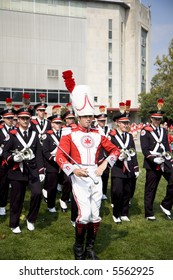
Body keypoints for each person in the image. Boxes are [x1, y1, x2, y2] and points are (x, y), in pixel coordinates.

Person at [56, 70, 120, 260]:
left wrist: (104, 165)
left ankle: (90, 249)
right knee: (83, 216)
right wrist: (73, 169)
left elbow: (116, 151)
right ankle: (78, 248)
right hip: (79, 176)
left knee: (95, 215)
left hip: (96, 175)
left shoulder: (99, 133)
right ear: (78, 116)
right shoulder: (68, 133)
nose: (89, 119)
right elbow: (60, 156)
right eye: (85, 116)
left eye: (91, 116)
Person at [2, 94, 45, 233]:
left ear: (30, 119)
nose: (25, 121)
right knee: (16, 199)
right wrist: (13, 159)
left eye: (27, 118)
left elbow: (39, 154)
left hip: (32, 170)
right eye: (22, 118)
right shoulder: (12, 135)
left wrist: (41, 170)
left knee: (37, 193)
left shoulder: (34, 135)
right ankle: (14, 224)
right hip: (17, 171)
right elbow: (5, 152)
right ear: (18, 120)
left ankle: (31, 219)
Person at [140, 98, 173, 221]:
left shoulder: (164, 131)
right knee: (151, 188)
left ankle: (165, 205)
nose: (157, 121)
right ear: (151, 119)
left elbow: (166, 145)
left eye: (159, 119)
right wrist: (153, 159)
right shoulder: (145, 131)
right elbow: (144, 149)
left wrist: (168, 155)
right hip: (152, 162)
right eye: (155, 119)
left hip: (164, 160)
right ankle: (149, 213)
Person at [109, 101, 139, 223]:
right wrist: (117, 157)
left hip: (129, 167)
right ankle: (116, 214)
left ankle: (124, 213)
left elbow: (134, 151)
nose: (126, 125)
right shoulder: (111, 136)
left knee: (127, 191)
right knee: (117, 192)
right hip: (117, 167)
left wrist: (136, 168)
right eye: (124, 123)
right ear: (117, 123)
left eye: (127, 123)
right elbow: (108, 152)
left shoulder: (130, 136)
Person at [42, 105, 64, 213]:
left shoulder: (65, 135)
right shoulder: (47, 135)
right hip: (52, 164)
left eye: (60, 123)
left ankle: (64, 200)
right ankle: (51, 205)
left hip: (64, 163)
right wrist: (53, 158)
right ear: (52, 124)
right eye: (56, 123)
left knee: (68, 182)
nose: (58, 125)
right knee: (52, 186)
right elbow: (45, 151)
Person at [31, 93, 51, 202]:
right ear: (37, 112)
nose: (42, 113)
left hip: (46, 149)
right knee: (37, 167)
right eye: (40, 111)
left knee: (48, 168)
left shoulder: (48, 123)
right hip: (36, 149)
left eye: (43, 111)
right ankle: (37, 187)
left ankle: (45, 188)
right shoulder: (32, 123)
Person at [0, 98, 15, 216]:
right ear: (3, 119)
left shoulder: (16, 130)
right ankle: (2, 205)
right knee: (3, 185)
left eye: (12, 118)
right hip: (2, 162)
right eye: (8, 118)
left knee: (16, 185)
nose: (10, 120)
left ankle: (15, 205)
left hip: (15, 161)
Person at [95, 105, 110, 200]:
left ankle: (103, 192)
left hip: (107, 155)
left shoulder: (108, 129)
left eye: (104, 120)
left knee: (106, 175)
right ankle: (97, 191)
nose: (103, 122)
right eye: (101, 121)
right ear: (97, 120)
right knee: (97, 174)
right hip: (98, 154)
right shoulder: (94, 129)